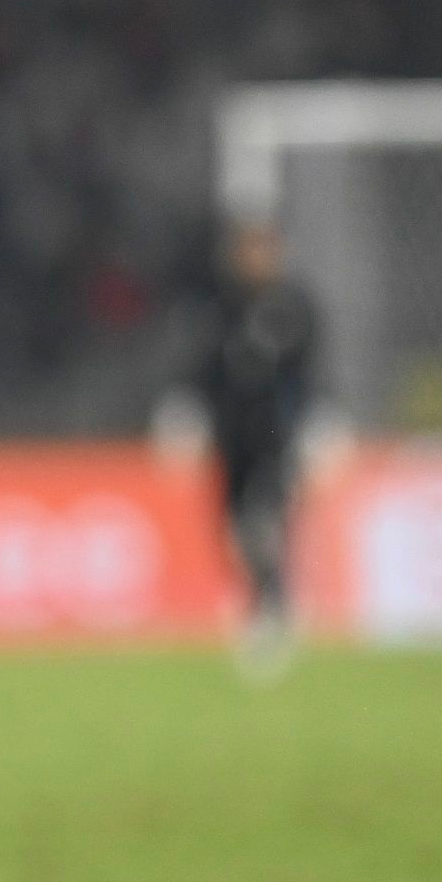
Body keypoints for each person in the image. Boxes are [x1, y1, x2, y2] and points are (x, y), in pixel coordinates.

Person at [193, 222, 317, 675]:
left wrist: (320, 417)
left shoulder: (295, 306)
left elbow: (311, 371)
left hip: (277, 434)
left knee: (266, 520)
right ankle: (263, 600)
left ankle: (273, 606)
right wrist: (187, 408)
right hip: (230, 436)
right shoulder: (218, 306)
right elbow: (201, 368)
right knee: (234, 531)